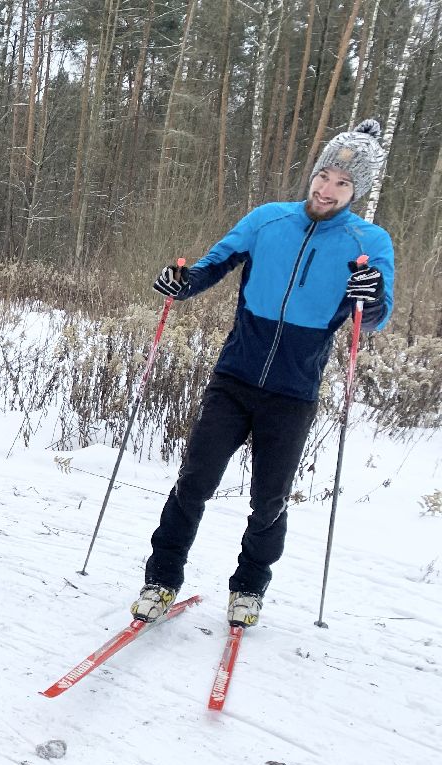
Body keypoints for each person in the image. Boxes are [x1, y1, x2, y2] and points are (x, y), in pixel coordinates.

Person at [132, 119, 395, 629]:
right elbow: (212, 265)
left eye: (343, 183)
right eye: (325, 175)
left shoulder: (369, 240)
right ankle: (162, 579)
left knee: (268, 500)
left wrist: (372, 292)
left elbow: (379, 314)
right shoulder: (268, 220)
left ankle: (249, 589)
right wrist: (179, 283)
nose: (328, 189)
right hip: (235, 380)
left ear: (356, 190)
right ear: (314, 173)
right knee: (194, 482)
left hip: (293, 393)